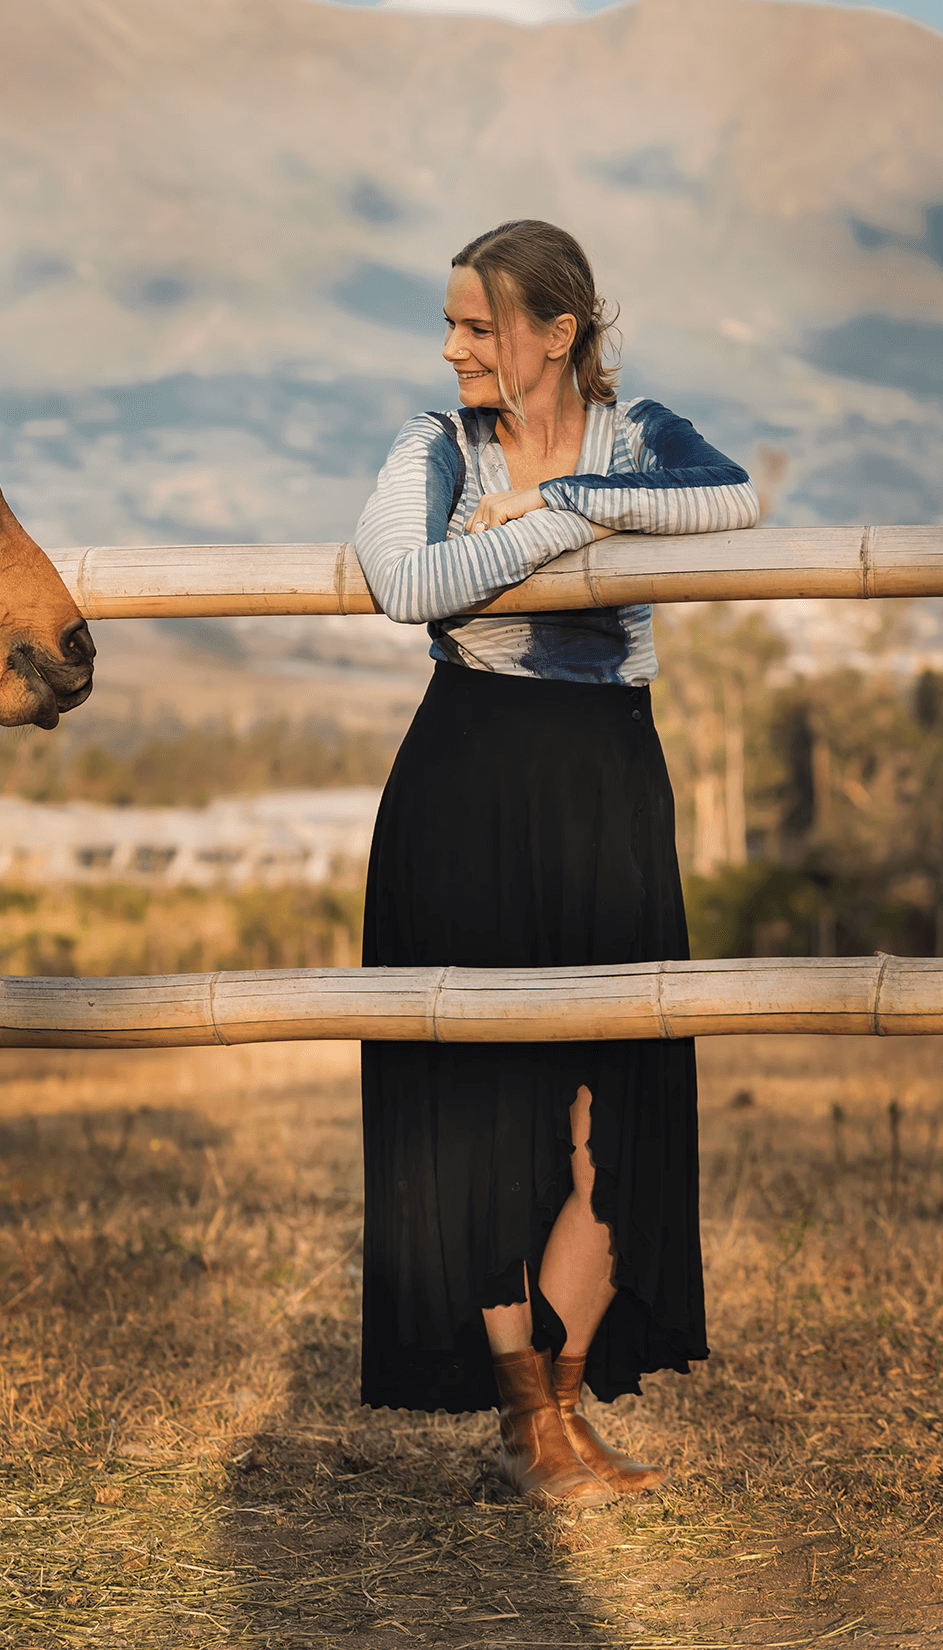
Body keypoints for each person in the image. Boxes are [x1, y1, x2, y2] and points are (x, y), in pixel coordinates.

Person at [352, 218, 759, 1507]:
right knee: (478, 1115)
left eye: (479, 326)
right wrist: (540, 542)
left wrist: (572, 503)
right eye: (455, 325)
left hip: (608, 793)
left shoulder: (636, 440)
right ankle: (527, 1425)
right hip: (466, 784)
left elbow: (738, 498)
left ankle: (567, 1407)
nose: (456, 348)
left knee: (611, 1112)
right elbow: (402, 578)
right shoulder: (436, 445)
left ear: (556, 333)